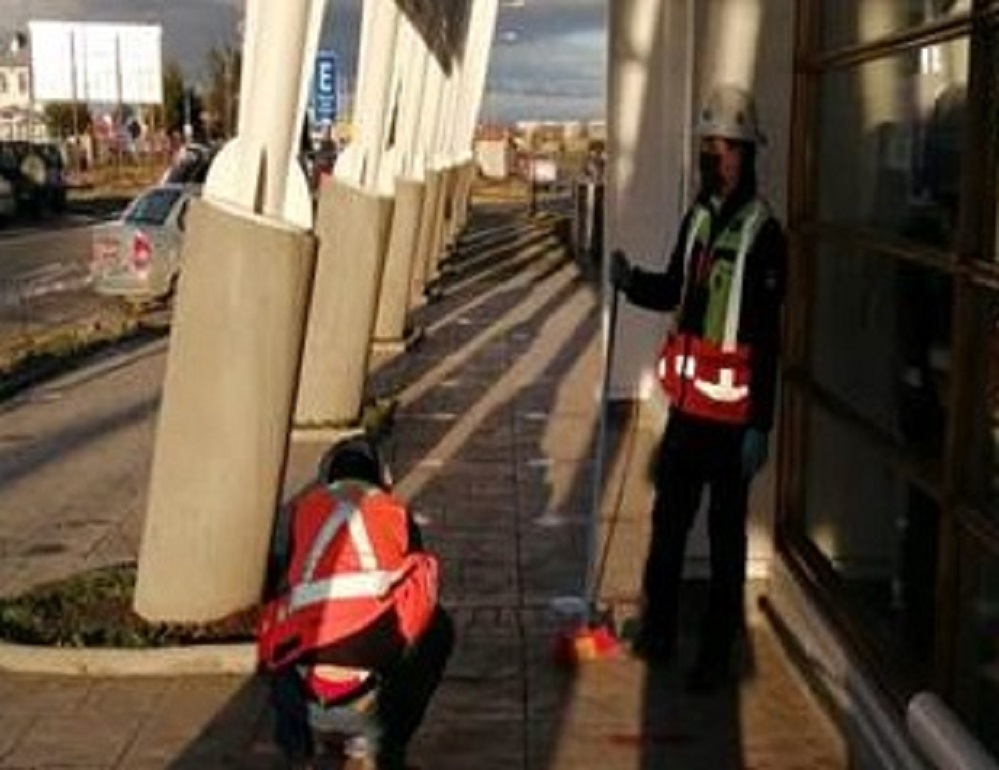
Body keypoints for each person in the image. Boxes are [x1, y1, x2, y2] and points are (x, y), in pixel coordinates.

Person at [610, 84, 787, 692]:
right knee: (668, 526)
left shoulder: (766, 234)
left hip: (733, 421)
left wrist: (762, 423)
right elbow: (672, 291)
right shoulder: (699, 219)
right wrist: (633, 283)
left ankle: (716, 655)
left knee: (725, 541)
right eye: (708, 146)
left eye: (726, 147)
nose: (716, 157)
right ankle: (658, 632)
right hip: (686, 413)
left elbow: (767, 337)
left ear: (746, 153)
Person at [258, 435, 454, 769]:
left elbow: (286, 583)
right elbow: (419, 591)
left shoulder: (305, 511)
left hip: (305, 693)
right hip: (367, 694)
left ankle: (298, 750)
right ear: (381, 477)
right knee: (438, 628)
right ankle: (384, 749)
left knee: (276, 624)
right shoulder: (394, 512)